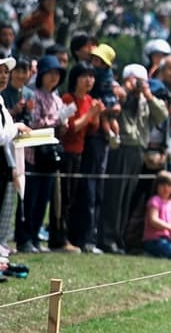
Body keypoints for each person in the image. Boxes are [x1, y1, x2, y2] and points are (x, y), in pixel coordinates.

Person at [98, 64, 167, 254]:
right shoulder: (118, 94)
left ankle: (119, 237)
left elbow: (162, 116)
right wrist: (125, 90)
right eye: (136, 80)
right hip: (121, 148)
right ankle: (107, 238)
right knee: (115, 195)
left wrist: (149, 94)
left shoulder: (146, 99)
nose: (139, 84)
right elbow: (112, 107)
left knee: (127, 197)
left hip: (138, 150)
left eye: (142, 81)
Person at [15, 55, 69, 254]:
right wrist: (54, 121)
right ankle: (24, 237)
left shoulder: (57, 99)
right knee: (29, 197)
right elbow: (33, 121)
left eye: (57, 74)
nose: (54, 78)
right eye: (50, 73)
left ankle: (36, 236)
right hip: (32, 153)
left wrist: (62, 124)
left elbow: (57, 126)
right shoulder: (33, 95)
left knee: (43, 199)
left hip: (49, 155)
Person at [53, 63, 104, 253]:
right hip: (65, 152)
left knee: (74, 197)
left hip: (80, 153)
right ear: (75, 79)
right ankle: (59, 237)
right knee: (63, 197)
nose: (89, 80)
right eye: (85, 76)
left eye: (91, 77)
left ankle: (71, 237)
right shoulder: (68, 98)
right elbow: (72, 127)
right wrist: (91, 113)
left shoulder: (89, 99)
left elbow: (92, 129)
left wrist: (96, 114)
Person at [0, 57, 32, 257]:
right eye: (0, 71)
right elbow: (2, 135)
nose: (3, 76)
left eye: (5, 72)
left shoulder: (1, 101)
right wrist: (16, 127)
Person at [89, 43, 121, 147]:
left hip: (103, 99)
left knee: (104, 118)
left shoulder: (98, 73)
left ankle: (110, 133)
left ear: (104, 64)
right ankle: (116, 135)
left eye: (96, 60)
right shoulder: (110, 73)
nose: (93, 62)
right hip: (111, 99)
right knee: (112, 119)